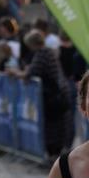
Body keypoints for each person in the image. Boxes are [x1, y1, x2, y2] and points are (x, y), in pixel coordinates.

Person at [13, 29, 69, 158]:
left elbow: (30, 73)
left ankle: (53, 153)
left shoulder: (42, 53)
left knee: (52, 126)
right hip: (59, 93)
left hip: (53, 97)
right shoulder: (49, 51)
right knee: (58, 125)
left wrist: (15, 73)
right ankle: (56, 152)